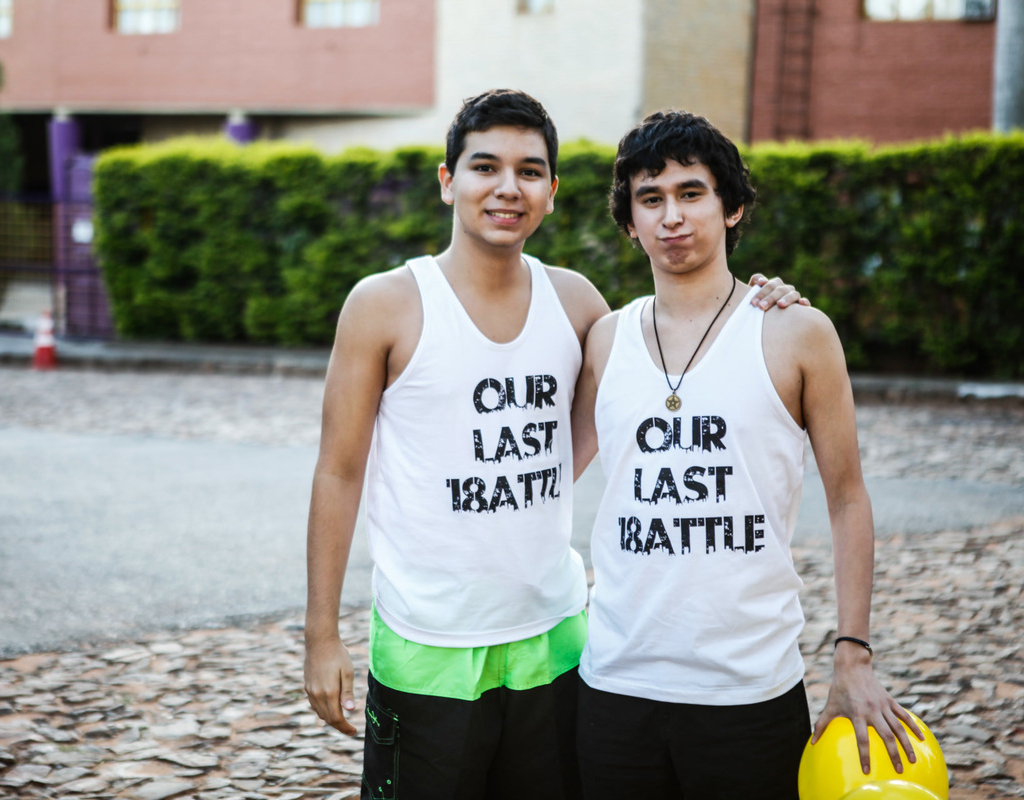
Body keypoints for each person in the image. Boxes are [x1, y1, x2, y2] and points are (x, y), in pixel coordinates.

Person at [302, 90, 801, 800]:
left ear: (553, 191)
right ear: (448, 181)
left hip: (557, 638)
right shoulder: (384, 304)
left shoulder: (577, 305)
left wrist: (767, 298)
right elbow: (338, 471)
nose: (508, 188)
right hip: (427, 643)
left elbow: (652, 366)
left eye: (530, 171)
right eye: (485, 167)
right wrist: (321, 634)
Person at [570, 109, 920, 799]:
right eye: (650, 198)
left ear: (730, 208)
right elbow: (543, 475)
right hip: (615, 684)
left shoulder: (796, 332)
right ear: (630, 222)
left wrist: (852, 654)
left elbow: (847, 498)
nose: (672, 216)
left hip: (749, 691)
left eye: (691, 193)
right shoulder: (605, 341)